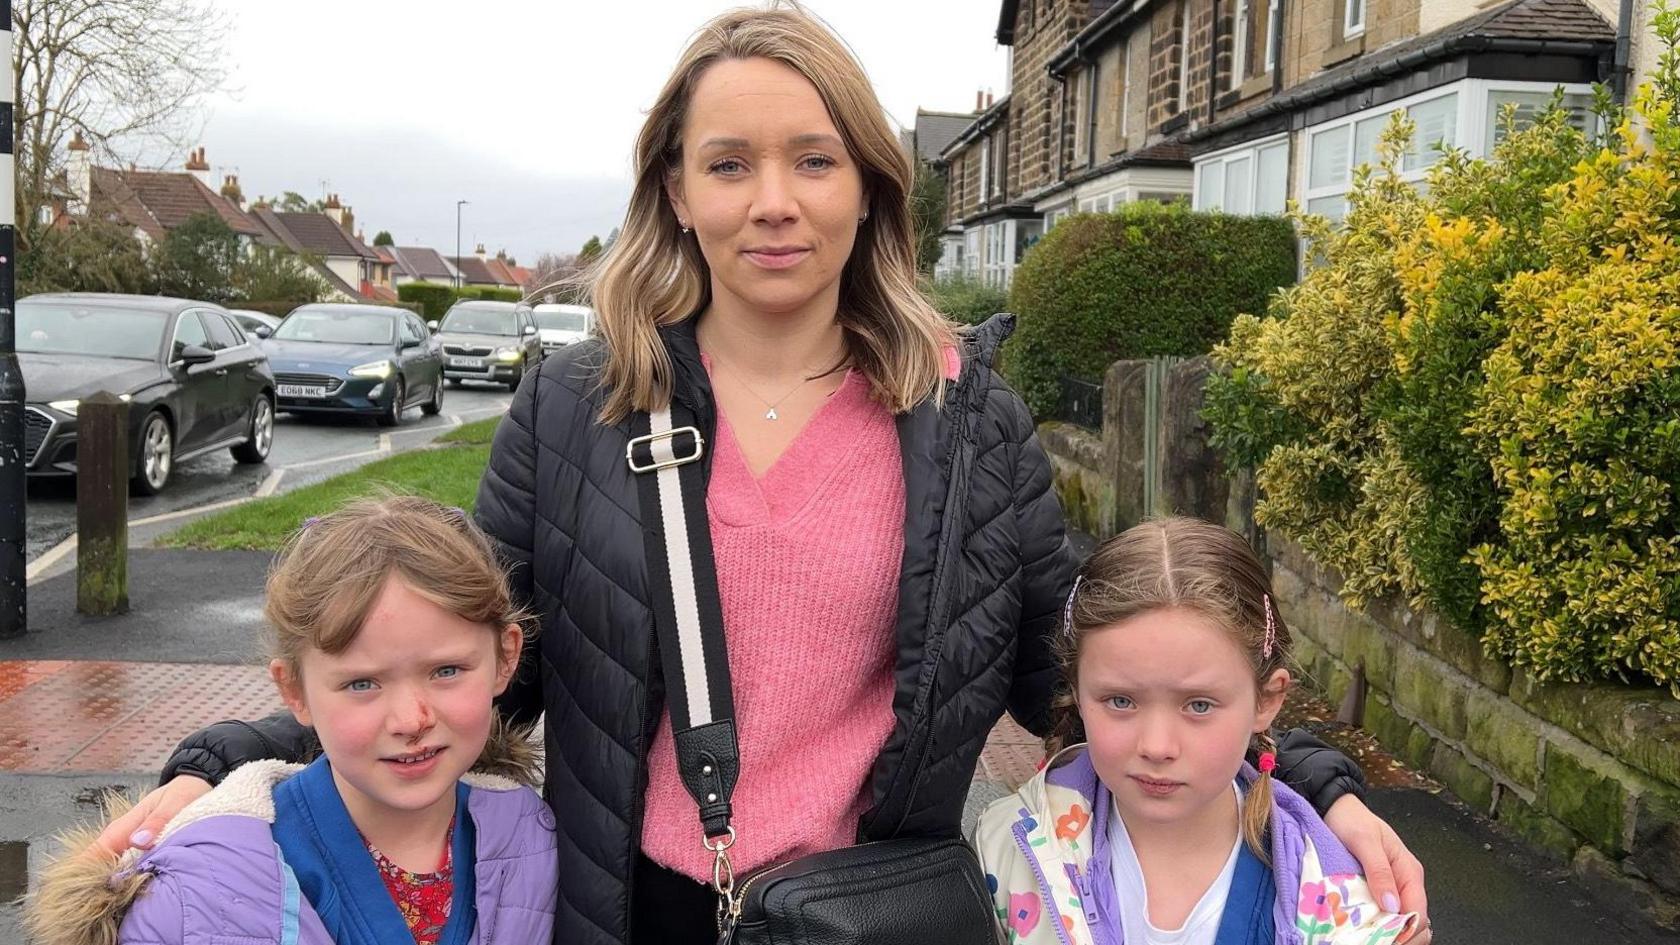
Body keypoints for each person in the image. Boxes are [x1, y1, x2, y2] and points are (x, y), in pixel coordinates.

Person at [93, 5, 1429, 945]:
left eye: (812, 158)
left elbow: (1096, 677)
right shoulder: (578, 411)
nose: (772, 201)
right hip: (626, 911)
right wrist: (231, 757)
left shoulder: (970, 425)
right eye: (728, 163)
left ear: (870, 187)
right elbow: (456, 653)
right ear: (676, 190)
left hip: (869, 918)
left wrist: (1313, 779)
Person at [32, 497, 558, 945]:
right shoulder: (193, 894)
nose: (411, 719)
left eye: (446, 671)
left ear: (506, 658)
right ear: (294, 691)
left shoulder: (532, 837)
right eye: (362, 684)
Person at [974, 517, 1425, 945]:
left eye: (1199, 705)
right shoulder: (1002, 850)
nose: (1157, 746)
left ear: (1266, 700)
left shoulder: (1345, 905)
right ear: (1076, 690)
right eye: (1120, 701)